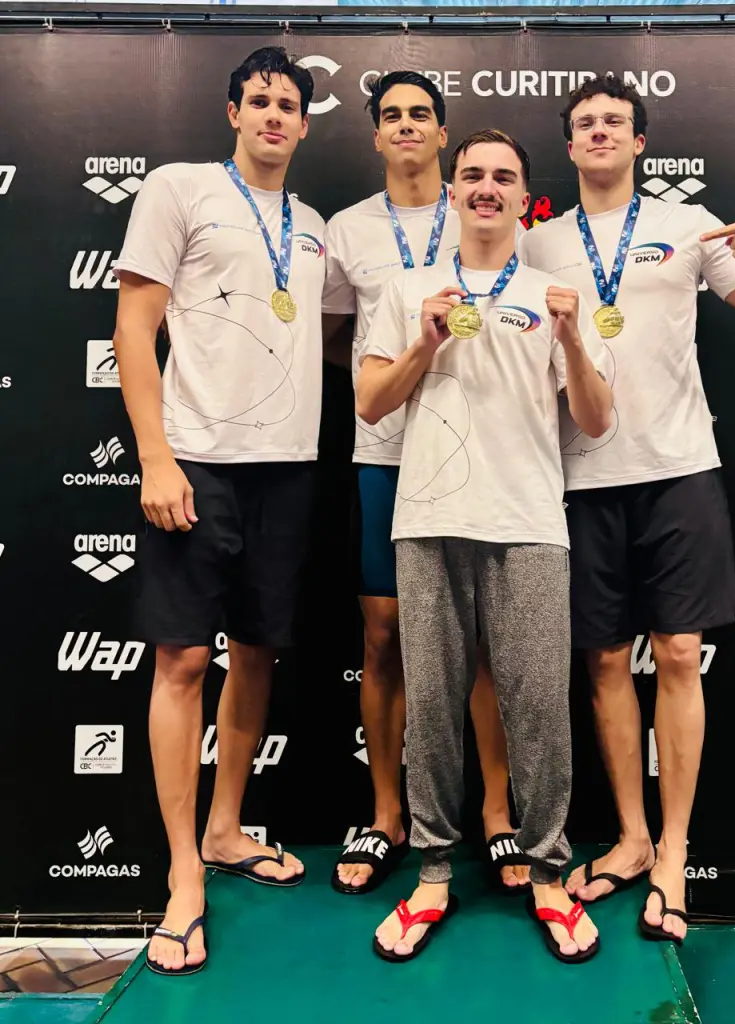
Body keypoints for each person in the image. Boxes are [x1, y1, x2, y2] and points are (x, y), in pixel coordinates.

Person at [518, 75, 735, 945]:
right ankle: (631, 840)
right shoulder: (536, 246)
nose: (600, 132)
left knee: (677, 653)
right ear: (568, 147)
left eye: (615, 121)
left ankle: (675, 852)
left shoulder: (688, 227)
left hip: (679, 468)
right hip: (578, 476)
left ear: (640, 142)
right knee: (605, 662)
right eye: (585, 124)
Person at [356, 129, 613, 962]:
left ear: (524, 195)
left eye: (504, 177)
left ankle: (546, 873)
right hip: (428, 519)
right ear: (454, 189)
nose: (487, 188)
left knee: (538, 707)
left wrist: (572, 339)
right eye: (472, 175)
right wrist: (424, 344)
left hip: (530, 520)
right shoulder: (404, 288)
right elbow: (367, 404)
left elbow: (598, 420)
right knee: (430, 704)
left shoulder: (556, 291)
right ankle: (432, 874)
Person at [112, 47, 325, 976]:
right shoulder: (180, 188)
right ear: (231, 110)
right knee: (183, 659)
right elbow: (132, 326)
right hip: (196, 463)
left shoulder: (313, 226)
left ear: (305, 125)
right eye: (260, 101)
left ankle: (228, 829)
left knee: (254, 655)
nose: (274, 115)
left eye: (288, 105)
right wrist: (155, 458)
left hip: (288, 470)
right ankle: (182, 875)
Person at [323, 73, 528, 895]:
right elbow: (336, 339)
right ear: (373, 135)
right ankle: (386, 815)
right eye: (390, 116)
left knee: (480, 638)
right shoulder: (346, 229)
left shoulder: (484, 205)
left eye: (420, 115)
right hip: (384, 452)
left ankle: (497, 816)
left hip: (483, 455)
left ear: (444, 137)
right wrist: (402, 374)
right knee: (382, 636)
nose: (405, 125)